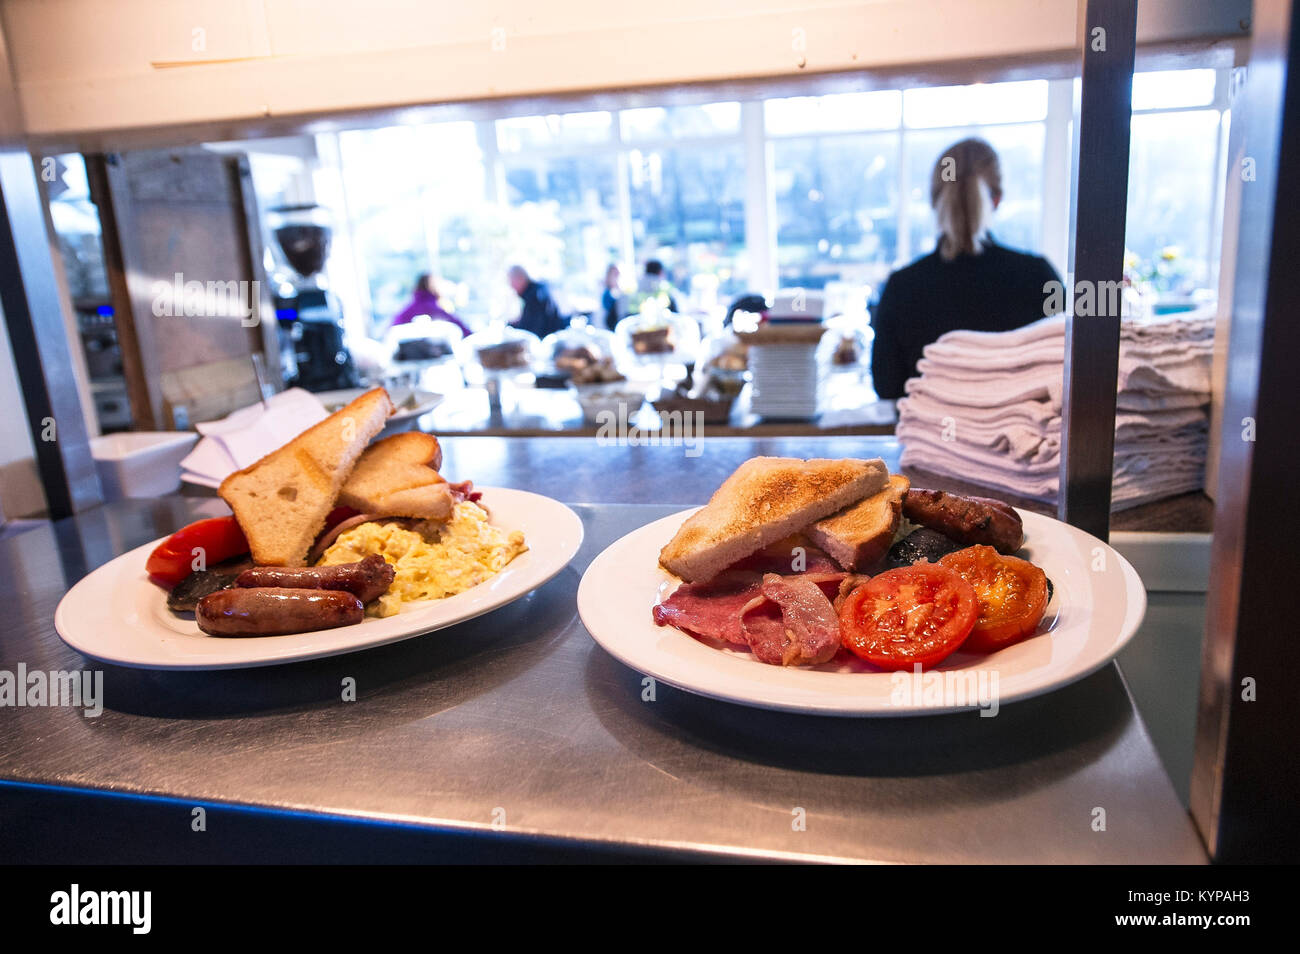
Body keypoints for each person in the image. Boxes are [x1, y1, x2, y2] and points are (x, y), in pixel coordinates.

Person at [869, 138, 1063, 401]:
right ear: (997, 199)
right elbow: (1064, 374)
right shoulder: (1038, 276)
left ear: (934, 200)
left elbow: (887, 387)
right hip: (1023, 440)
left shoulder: (902, 286)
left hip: (930, 439)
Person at [389, 273, 470, 336]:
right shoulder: (429, 306)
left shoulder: (412, 305)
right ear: (429, 285)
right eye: (436, 283)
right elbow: (457, 323)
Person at [507, 265, 566, 338]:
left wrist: (511, 328)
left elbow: (533, 330)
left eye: (511, 281)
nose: (511, 286)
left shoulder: (534, 296)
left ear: (520, 278)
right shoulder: (537, 290)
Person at [600, 263, 624, 330]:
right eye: (615, 274)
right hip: (611, 321)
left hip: (617, 318)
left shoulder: (617, 288)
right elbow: (607, 306)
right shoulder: (607, 291)